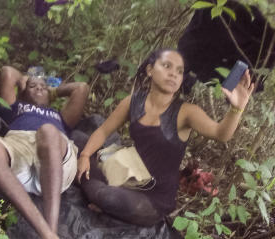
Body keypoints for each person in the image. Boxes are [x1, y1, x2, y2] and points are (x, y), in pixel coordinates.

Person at [77, 48, 255, 226]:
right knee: (79, 140)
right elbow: (102, 131)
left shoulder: (186, 112)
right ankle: (98, 188)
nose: (173, 74)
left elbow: (220, 134)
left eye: (179, 71)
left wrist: (236, 109)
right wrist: (85, 156)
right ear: (150, 70)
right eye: (167, 66)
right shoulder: (134, 101)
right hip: (127, 174)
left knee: (107, 197)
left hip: (152, 199)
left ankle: (99, 195)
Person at [0, 66, 89, 239]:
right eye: (33, 86)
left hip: (54, 155)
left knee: (47, 130)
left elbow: (81, 88)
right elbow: (8, 72)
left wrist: (52, 90)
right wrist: (26, 81)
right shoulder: (14, 108)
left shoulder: (59, 116)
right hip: (19, 148)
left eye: (43, 88)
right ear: (22, 91)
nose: (39, 88)